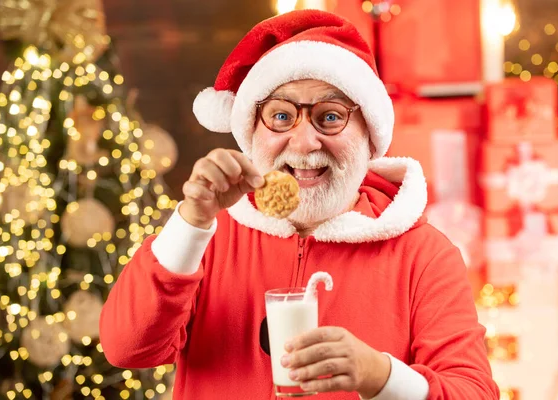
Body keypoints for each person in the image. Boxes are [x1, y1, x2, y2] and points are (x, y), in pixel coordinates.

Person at [99, 9, 499, 400]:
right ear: (252, 131)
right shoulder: (209, 237)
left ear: (369, 135)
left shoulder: (423, 255)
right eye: (280, 116)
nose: (305, 143)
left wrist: (379, 375)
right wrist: (191, 221)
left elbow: (473, 392)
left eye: (329, 117)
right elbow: (128, 348)